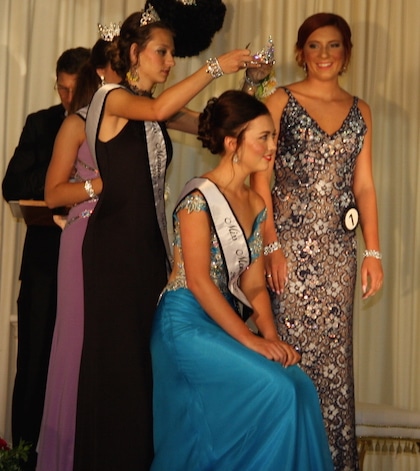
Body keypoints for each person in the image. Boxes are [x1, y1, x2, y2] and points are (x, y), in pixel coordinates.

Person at [73, 8, 256, 471]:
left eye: (172, 53)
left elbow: (213, 129)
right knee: (116, 366)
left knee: (142, 370)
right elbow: (155, 108)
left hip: (148, 252)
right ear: (134, 53)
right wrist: (216, 67)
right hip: (113, 251)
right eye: (162, 52)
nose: (170, 60)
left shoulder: (157, 110)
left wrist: (252, 88)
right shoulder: (111, 99)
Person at [150, 90, 333, 471]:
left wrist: (271, 338)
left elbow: (252, 287)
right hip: (184, 324)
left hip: (220, 322)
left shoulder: (256, 203)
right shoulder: (198, 198)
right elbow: (199, 282)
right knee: (277, 391)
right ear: (233, 143)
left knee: (300, 386)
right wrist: (249, 339)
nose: (272, 146)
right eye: (263, 137)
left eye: (272, 136)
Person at [250, 13, 384, 470]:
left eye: (333, 46)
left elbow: (363, 186)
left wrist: (373, 251)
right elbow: (259, 177)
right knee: (286, 361)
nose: (324, 54)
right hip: (287, 251)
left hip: (338, 257)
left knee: (334, 368)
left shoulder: (361, 110)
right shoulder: (279, 100)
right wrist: (270, 245)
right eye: (315, 46)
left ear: (346, 53)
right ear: (299, 52)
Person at [35, 35, 121, 471]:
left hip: (123, 245)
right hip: (83, 236)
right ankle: (64, 456)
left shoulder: (133, 118)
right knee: (75, 345)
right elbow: (52, 194)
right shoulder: (77, 123)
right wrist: (98, 187)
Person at [2, 46, 90, 470]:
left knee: (84, 368)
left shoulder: (107, 125)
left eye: (76, 90)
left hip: (92, 265)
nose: (68, 99)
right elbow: (12, 183)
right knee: (34, 363)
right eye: (62, 89)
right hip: (43, 265)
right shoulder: (42, 123)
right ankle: (21, 458)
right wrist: (64, 172)